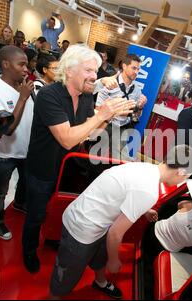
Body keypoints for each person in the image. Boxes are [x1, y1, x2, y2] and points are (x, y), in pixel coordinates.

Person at [22, 45, 135, 273]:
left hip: (67, 169)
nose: (95, 76)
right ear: (69, 70)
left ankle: (53, 238)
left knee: (60, 211)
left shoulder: (84, 97)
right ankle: (29, 251)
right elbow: (66, 139)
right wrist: (102, 114)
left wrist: (107, 117)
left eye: (95, 71)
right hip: (42, 169)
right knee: (36, 215)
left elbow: (90, 134)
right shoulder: (49, 95)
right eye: (88, 70)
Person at [49, 145, 192, 299]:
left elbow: (126, 191)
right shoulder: (149, 191)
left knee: (100, 256)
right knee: (66, 275)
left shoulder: (146, 168)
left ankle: (100, 282)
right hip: (81, 228)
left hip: (97, 221)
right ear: (181, 173)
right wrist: (114, 261)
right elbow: (115, 233)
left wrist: (144, 210)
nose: (183, 181)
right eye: (186, 177)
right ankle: (54, 296)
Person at [0, 46, 35, 240]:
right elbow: (7, 129)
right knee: (1, 191)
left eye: (27, 64)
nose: (26, 69)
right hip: (5, 154)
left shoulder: (26, 86)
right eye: (21, 64)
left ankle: (20, 204)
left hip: (27, 152)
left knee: (25, 183)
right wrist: (22, 98)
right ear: (5, 64)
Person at [95, 53, 147, 159]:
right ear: (124, 66)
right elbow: (97, 110)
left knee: (120, 160)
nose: (136, 72)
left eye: (138, 69)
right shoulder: (110, 83)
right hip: (106, 127)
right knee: (97, 158)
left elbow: (136, 115)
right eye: (133, 68)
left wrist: (140, 107)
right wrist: (115, 111)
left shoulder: (137, 90)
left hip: (123, 129)